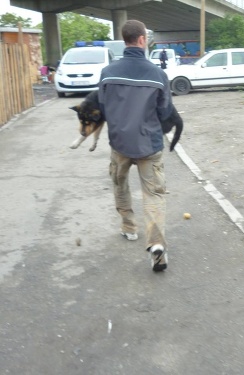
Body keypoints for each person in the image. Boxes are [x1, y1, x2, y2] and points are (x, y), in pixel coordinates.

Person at [98, 20, 173, 272]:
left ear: (124, 40)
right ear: (142, 40)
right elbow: (165, 112)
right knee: (153, 194)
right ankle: (156, 245)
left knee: (120, 183)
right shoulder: (158, 75)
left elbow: (103, 106)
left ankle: (129, 228)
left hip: (119, 144)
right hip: (149, 145)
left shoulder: (108, 73)